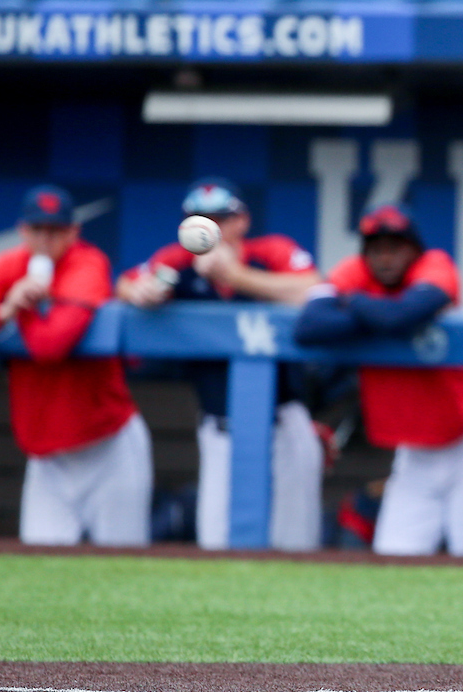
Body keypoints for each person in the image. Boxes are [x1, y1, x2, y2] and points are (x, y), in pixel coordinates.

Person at [294, 203, 463, 557]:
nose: (385, 258)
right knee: (394, 557)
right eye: (376, 249)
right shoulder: (353, 270)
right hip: (415, 450)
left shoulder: (435, 266)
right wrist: (372, 311)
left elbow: (400, 317)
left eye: (395, 248)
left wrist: (351, 303)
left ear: (414, 250)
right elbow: (309, 326)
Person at [117, 177, 324, 552]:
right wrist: (141, 292)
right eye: (200, 217)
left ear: (241, 221)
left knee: (295, 547)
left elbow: (315, 289)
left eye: (221, 217)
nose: (211, 226)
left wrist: (237, 275)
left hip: (283, 424)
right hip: (219, 430)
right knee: (216, 544)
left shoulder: (269, 251)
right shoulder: (176, 262)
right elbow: (126, 284)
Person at [0, 185, 152, 546]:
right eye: (37, 230)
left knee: (124, 569)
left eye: (56, 230)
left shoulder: (88, 262)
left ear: (73, 232)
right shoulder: (11, 264)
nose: (45, 240)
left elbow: (51, 345)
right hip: (48, 459)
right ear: (23, 231)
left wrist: (21, 311)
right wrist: (4, 308)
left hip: (108, 446)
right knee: (41, 568)